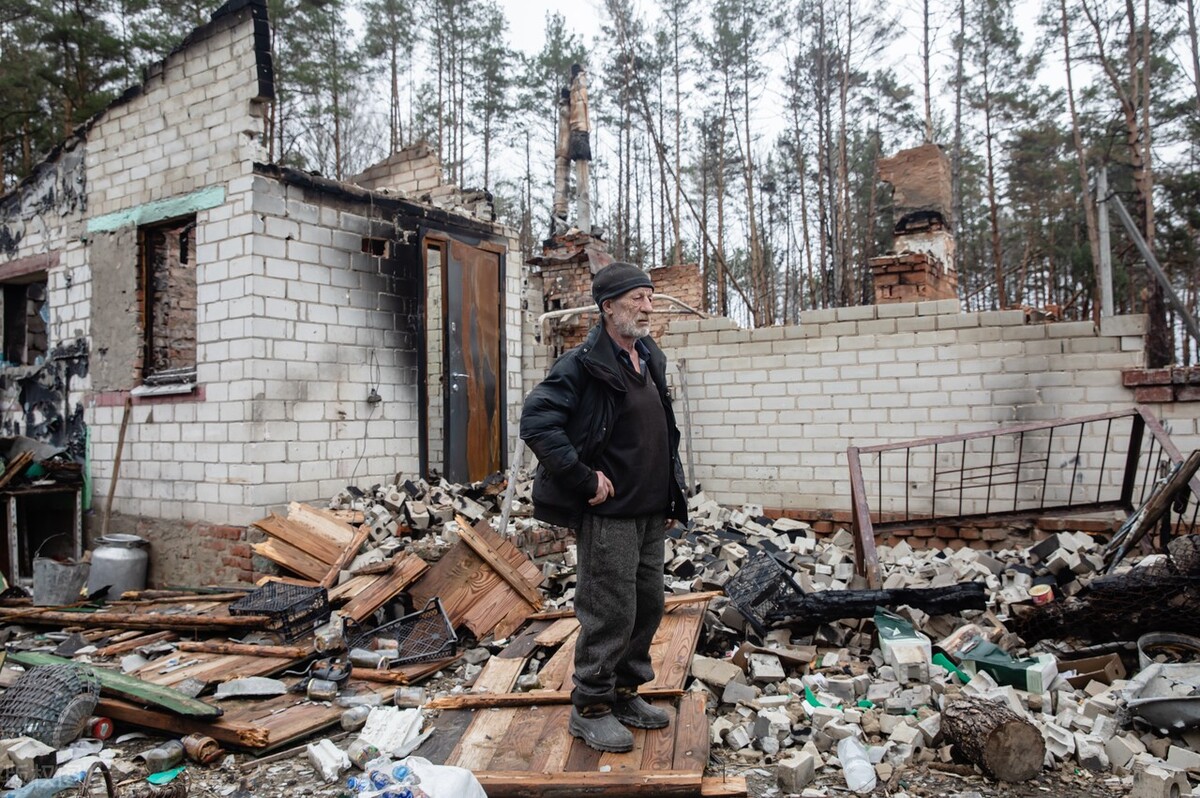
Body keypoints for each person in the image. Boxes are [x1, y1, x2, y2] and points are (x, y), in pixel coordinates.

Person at [520, 262, 688, 753]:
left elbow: (664, 433)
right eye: (636, 297)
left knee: (648, 606)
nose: (647, 305)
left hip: (650, 511)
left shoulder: (647, 355)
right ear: (608, 306)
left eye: (650, 296)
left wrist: (671, 494)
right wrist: (581, 477)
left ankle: (623, 692)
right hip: (610, 515)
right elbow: (537, 421)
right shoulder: (582, 362)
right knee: (608, 611)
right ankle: (590, 708)